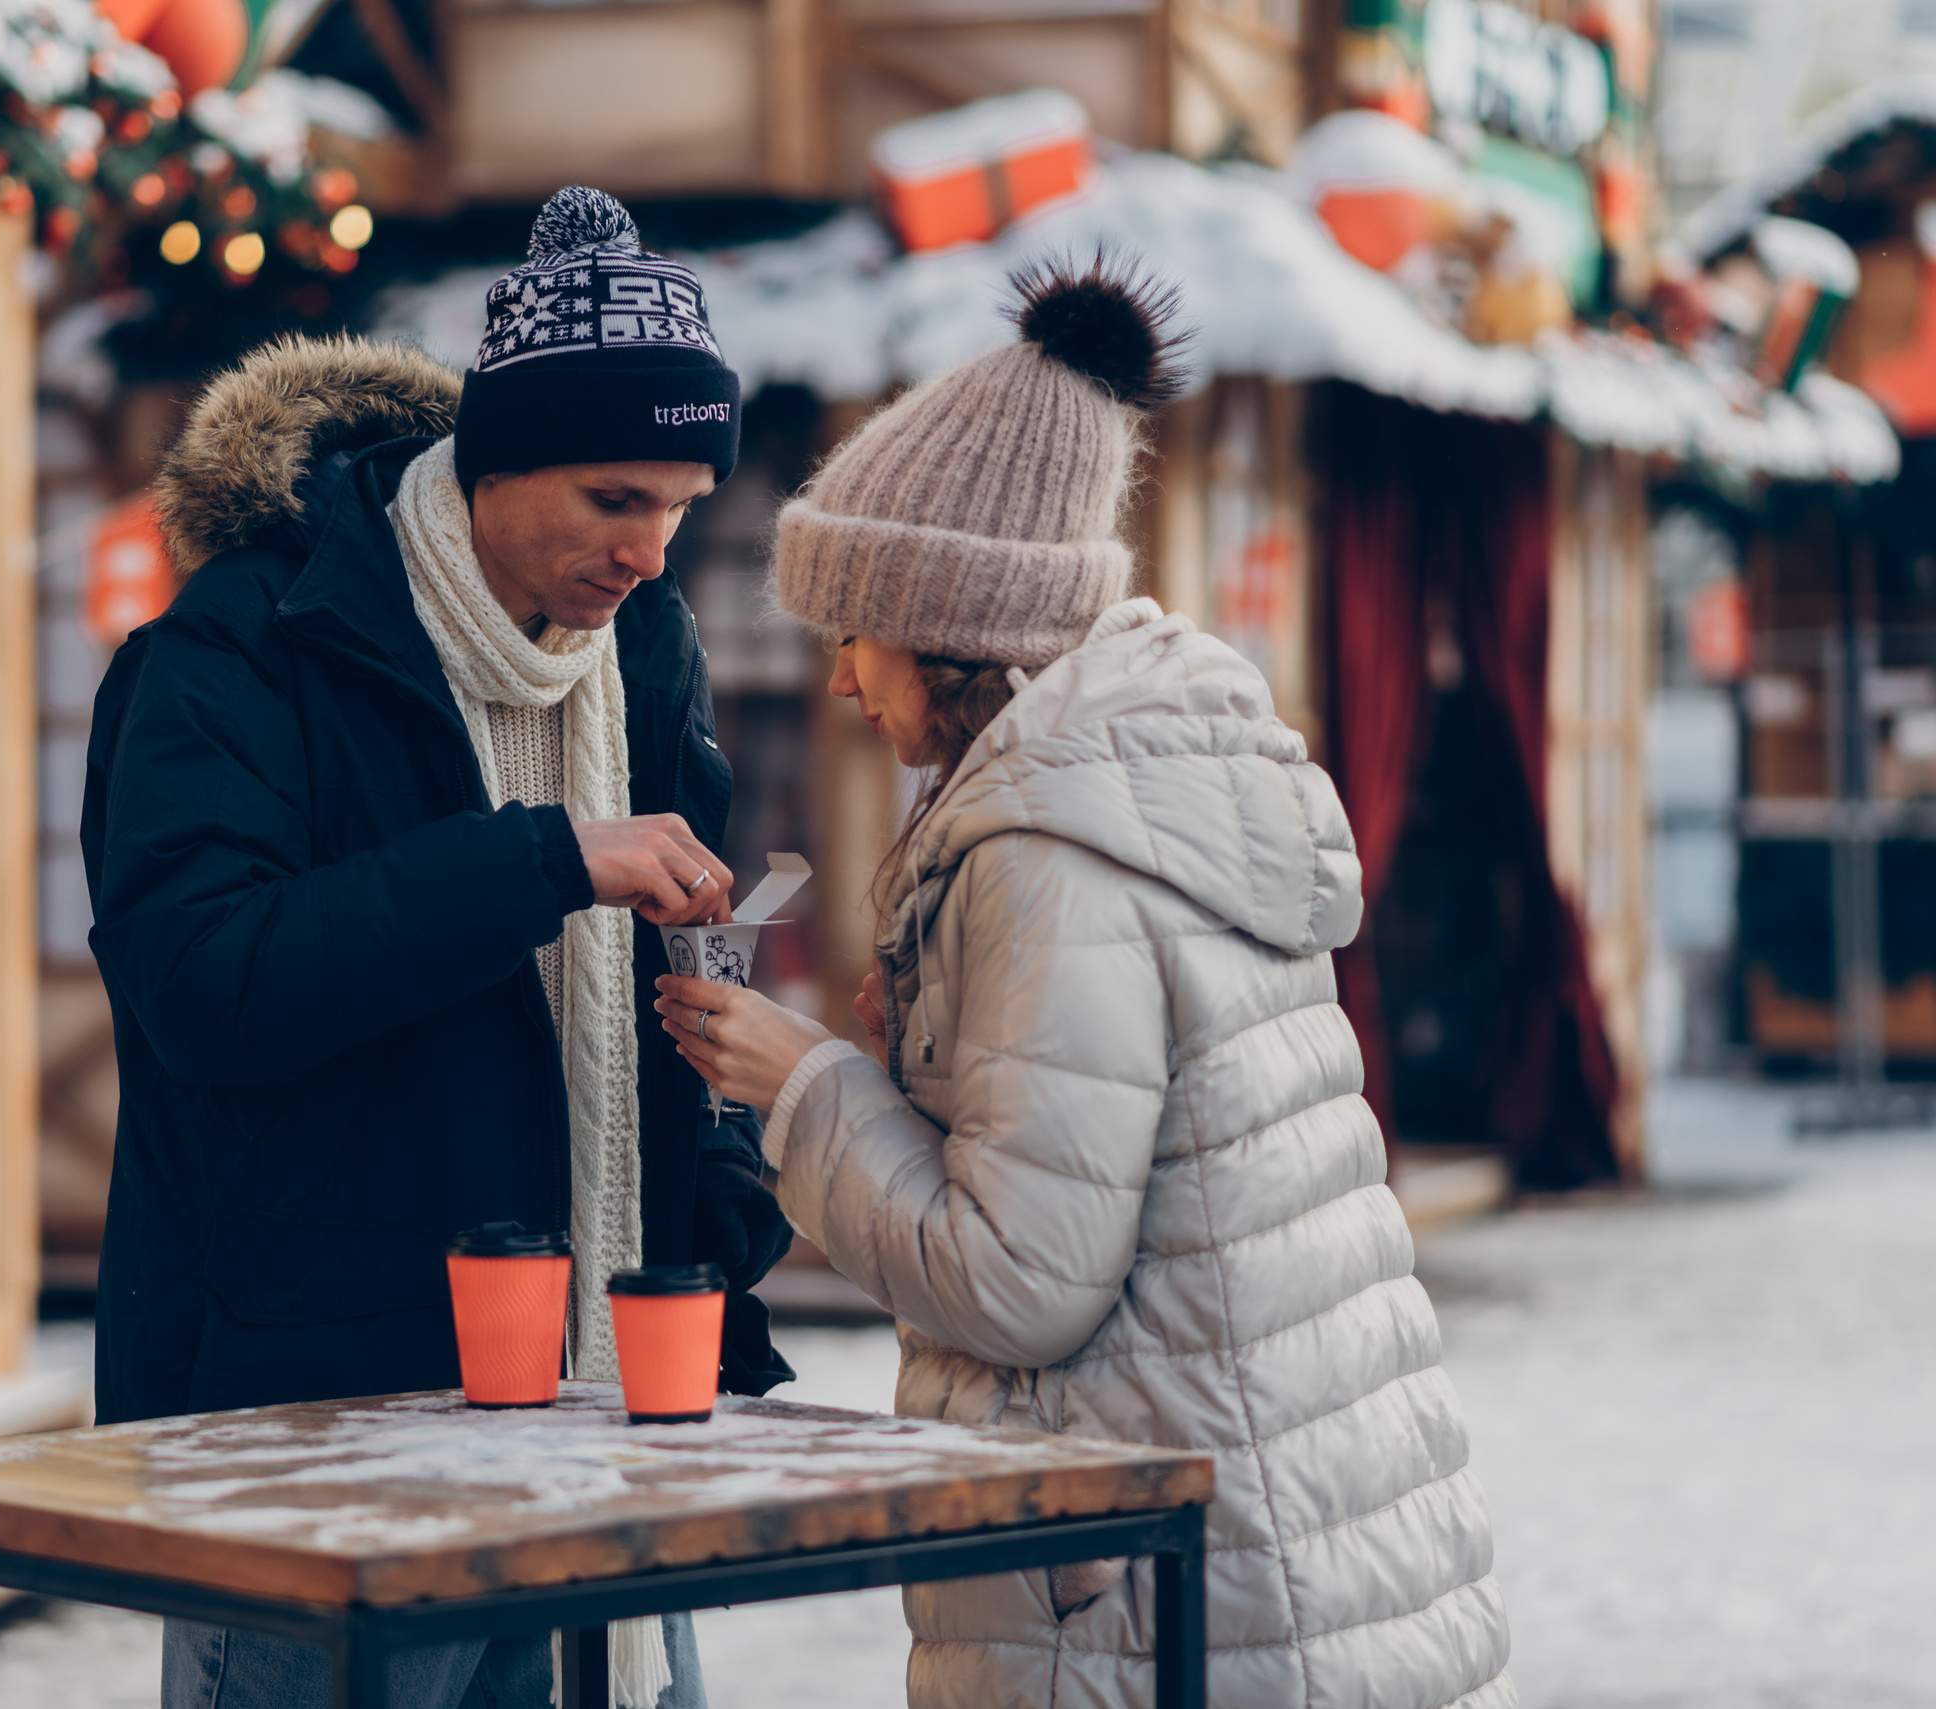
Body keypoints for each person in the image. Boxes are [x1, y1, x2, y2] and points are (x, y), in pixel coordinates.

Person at [653, 261, 1515, 1709]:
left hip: (1156, 1597)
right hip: (1280, 1544)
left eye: (855, 631)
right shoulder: (1156, 777)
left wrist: (804, 1086)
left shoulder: (1049, 854)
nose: (846, 682)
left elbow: (1022, 1279)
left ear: (950, 623)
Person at [83, 185, 793, 1709]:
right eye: (616, 498)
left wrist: (720, 1198)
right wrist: (540, 859)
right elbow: (210, 984)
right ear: (493, 456)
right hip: (310, 1415)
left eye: (679, 504)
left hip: (602, 1394)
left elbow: (680, 958)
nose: (651, 554)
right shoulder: (239, 647)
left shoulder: (644, 654)